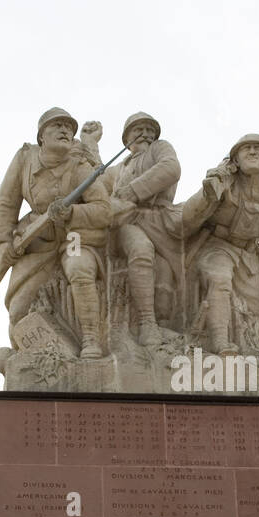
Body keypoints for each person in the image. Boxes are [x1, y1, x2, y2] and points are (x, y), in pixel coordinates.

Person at [0, 107, 110, 359]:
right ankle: (43, 356)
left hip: (75, 236)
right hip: (37, 239)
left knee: (79, 267)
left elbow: (103, 209)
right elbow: (6, 202)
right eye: (57, 125)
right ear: (41, 136)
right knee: (17, 310)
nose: (65, 130)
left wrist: (71, 214)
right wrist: (4, 245)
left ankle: (91, 340)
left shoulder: (80, 166)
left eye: (69, 127)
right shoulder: (25, 158)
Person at [180, 133, 259, 355]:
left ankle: (255, 348)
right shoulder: (224, 179)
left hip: (249, 254)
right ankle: (220, 342)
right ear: (235, 159)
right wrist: (209, 191)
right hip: (217, 246)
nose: (254, 152)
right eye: (247, 149)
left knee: (258, 305)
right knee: (220, 281)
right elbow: (188, 217)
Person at [102, 112, 183, 345]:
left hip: (160, 221)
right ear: (126, 138)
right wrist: (89, 144)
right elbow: (96, 185)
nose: (145, 134)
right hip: (128, 222)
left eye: (150, 130)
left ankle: (167, 324)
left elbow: (170, 169)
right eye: (138, 129)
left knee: (169, 270)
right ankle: (147, 323)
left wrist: (133, 191)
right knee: (141, 249)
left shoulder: (160, 149)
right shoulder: (117, 170)